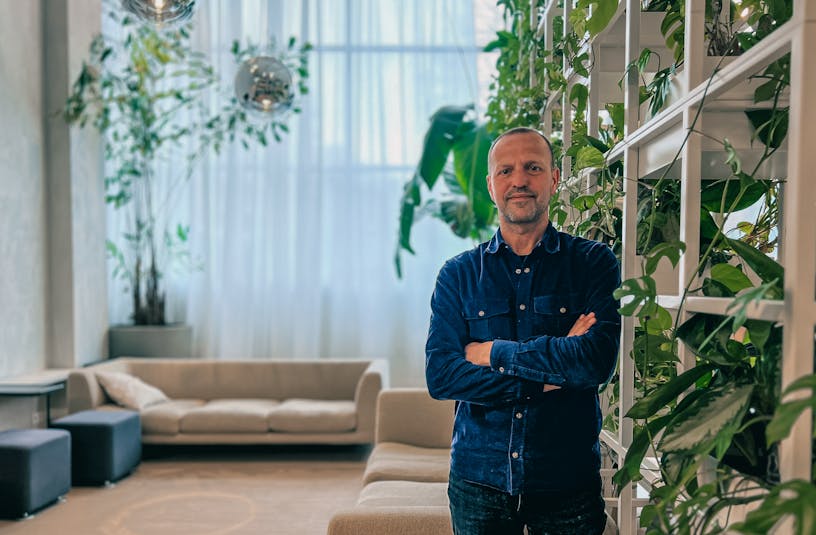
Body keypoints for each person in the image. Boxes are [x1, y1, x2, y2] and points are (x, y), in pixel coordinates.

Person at [425, 126, 621, 534]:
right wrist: (547, 376)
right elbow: (442, 375)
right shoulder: (457, 275)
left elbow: (594, 363)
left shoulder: (593, 263)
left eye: (532, 168)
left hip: (567, 483)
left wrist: (492, 352)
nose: (519, 180)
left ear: (553, 178)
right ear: (491, 186)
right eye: (506, 171)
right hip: (479, 482)